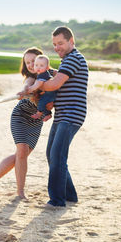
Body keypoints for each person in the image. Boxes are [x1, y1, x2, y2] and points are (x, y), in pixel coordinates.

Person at [0, 47, 54, 199]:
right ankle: (20, 192)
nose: (31, 65)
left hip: (36, 120)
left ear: (41, 60)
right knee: (22, 151)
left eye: (33, 61)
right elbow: (27, 86)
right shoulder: (31, 79)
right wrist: (25, 91)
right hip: (21, 116)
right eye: (27, 62)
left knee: (20, 155)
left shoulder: (51, 76)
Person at [39, 26, 88, 207]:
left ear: (71, 41)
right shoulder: (68, 59)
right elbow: (60, 86)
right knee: (52, 154)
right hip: (63, 113)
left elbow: (54, 85)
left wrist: (36, 87)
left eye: (60, 43)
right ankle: (70, 195)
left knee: (58, 155)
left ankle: (57, 200)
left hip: (72, 114)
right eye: (54, 44)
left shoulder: (73, 59)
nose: (57, 47)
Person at [26, 55, 56, 120]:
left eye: (41, 65)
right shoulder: (42, 73)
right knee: (40, 101)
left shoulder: (43, 75)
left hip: (51, 93)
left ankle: (48, 114)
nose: (38, 67)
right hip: (48, 92)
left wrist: (29, 89)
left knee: (41, 103)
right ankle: (39, 113)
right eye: (36, 65)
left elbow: (37, 85)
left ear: (47, 67)